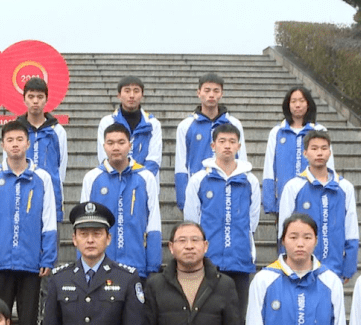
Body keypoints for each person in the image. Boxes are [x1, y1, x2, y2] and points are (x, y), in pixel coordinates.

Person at [0, 120, 57, 325]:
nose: (15, 144)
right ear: (2, 144)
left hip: (31, 262)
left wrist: (48, 257)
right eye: (10, 140)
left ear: (28, 143)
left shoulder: (42, 178)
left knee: (29, 319)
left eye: (19, 139)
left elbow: (49, 220)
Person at [183, 123, 261, 312]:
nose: (227, 146)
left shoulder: (250, 180)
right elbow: (192, 220)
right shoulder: (199, 179)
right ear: (213, 146)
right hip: (208, 260)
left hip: (240, 259)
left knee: (237, 314)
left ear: (239, 147)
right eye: (222, 141)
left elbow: (253, 219)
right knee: (206, 314)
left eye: (232, 141)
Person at [81, 123, 161, 277]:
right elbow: (83, 224)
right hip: (100, 264)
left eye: (121, 142)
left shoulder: (145, 177)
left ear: (130, 145)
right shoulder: (92, 178)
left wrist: (153, 265)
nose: (115, 147)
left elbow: (154, 224)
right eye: (110, 143)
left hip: (136, 264)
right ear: (104, 146)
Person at [277, 131, 360, 281]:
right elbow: (284, 229)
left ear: (330, 152)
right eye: (314, 149)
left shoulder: (345, 187)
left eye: (324, 148)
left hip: (334, 267)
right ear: (305, 153)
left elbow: (351, 228)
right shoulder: (294, 186)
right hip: (300, 267)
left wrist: (349, 265)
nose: (319, 153)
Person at [174, 73, 246, 210]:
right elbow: (181, 164)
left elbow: (242, 159)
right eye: (207, 90)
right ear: (198, 93)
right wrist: (183, 199)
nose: (211, 95)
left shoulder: (234, 124)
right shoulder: (186, 125)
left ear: (222, 94)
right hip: (198, 189)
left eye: (216, 91)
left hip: (228, 187)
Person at [262, 86, 334, 214]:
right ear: (288, 105)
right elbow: (269, 168)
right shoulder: (277, 132)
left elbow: (329, 165)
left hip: (314, 199)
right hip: (284, 199)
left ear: (308, 104)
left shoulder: (319, 131)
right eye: (293, 101)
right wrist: (269, 202)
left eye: (301, 101)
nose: (298, 105)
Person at [17, 77, 68, 221]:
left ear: (46, 99)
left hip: (50, 196)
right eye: (31, 97)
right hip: (22, 194)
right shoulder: (16, 130)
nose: (35, 101)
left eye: (40, 97)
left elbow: (61, 166)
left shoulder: (58, 131)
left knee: (51, 241)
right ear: (24, 99)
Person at [96, 75, 162, 180]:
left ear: (142, 95)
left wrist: (137, 182)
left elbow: (154, 159)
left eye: (136, 91)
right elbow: (104, 157)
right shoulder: (107, 122)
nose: (132, 95)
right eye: (127, 91)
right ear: (119, 95)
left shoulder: (153, 124)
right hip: (114, 182)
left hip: (144, 184)